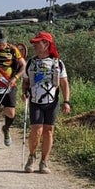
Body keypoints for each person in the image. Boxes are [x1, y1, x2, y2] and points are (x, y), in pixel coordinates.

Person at [21, 31, 71, 174]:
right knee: (36, 130)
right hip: (35, 101)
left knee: (48, 131)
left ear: (46, 44)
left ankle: (44, 161)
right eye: (34, 43)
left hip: (52, 101)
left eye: (38, 43)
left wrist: (66, 101)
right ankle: (31, 156)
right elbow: (25, 82)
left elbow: (64, 83)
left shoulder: (57, 63)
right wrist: (24, 93)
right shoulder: (31, 63)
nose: (35, 45)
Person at [0, 28, 27, 153]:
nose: (0, 45)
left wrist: (16, 77)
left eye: (2, 43)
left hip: (10, 85)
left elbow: (23, 66)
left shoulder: (13, 50)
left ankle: (6, 128)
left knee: (11, 113)